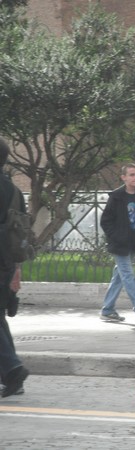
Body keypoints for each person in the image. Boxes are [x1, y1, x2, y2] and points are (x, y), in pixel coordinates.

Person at [99, 163, 135, 323]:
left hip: (133, 242)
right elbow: (105, 221)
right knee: (127, 274)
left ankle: (107, 309)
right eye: (131, 175)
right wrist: (116, 236)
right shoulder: (116, 197)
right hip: (120, 243)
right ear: (123, 177)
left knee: (119, 276)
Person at [0, 137, 29, 397]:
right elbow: (21, 231)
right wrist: (17, 270)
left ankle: (12, 369)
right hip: (8, 261)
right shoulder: (15, 191)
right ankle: (13, 378)